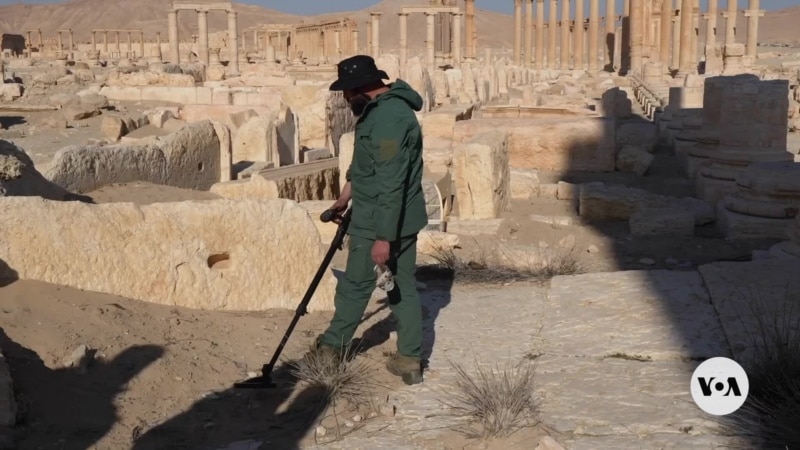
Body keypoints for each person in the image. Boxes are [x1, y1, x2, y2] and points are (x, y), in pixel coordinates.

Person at [307, 55, 428, 385]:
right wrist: (344, 198)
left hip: (379, 220)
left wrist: (383, 238)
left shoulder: (388, 119)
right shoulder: (384, 110)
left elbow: (390, 182)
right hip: (395, 216)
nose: (345, 100)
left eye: (347, 93)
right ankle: (410, 358)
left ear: (361, 88)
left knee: (355, 286)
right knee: (402, 287)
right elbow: (367, 167)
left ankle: (331, 350)